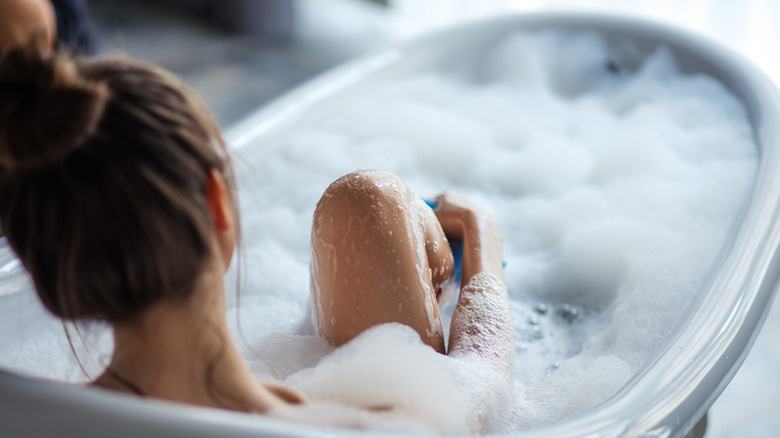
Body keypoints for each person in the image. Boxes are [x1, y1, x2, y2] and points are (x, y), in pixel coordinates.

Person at [0, 34, 513, 427]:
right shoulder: (356, 427)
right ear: (216, 202)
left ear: (46, 277)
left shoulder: (27, 414)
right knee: (369, 201)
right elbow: (477, 400)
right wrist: (479, 231)